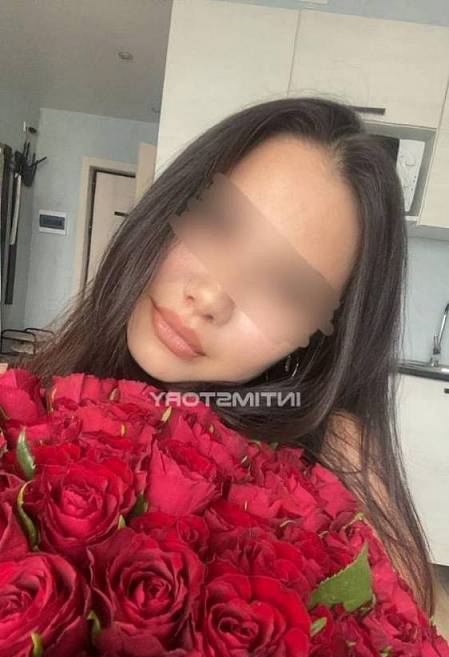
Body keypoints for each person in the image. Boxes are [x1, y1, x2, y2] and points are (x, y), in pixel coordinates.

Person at [17, 96, 438, 617]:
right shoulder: (32, 398)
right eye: (219, 222)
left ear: (315, 339)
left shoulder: (334, 464)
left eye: (285, 288)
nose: (212, 297)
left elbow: (404, 638)